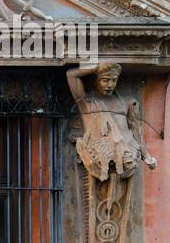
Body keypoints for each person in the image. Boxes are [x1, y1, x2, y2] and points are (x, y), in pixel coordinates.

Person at [66, 61, 155, 205]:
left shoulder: (127, 103)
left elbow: (135, 129)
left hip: (128, 150)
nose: (110, 85)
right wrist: (95, 68)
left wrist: (146, 155)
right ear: (96, 81)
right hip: (101, 151)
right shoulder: (88, 103)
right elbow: (71, 75)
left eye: (114, 80)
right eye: (104, 80)